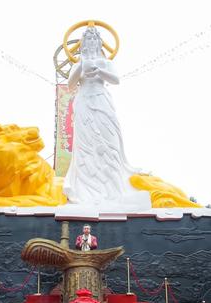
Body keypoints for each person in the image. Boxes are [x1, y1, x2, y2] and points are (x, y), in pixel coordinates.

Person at [63, 26, 151, 209]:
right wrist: (80, 67)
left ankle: (114, 190)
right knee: (87, 148)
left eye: (95, 39)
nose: (92, 42)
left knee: (110, 144)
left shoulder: (105, 62)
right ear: (83, 44)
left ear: (100, 43)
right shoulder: (77, 63)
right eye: (88, 40)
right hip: (84, 104)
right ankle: (87, 192)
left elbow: (115, 80)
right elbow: (71, 85)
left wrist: (99, 72)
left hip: (102, 102)